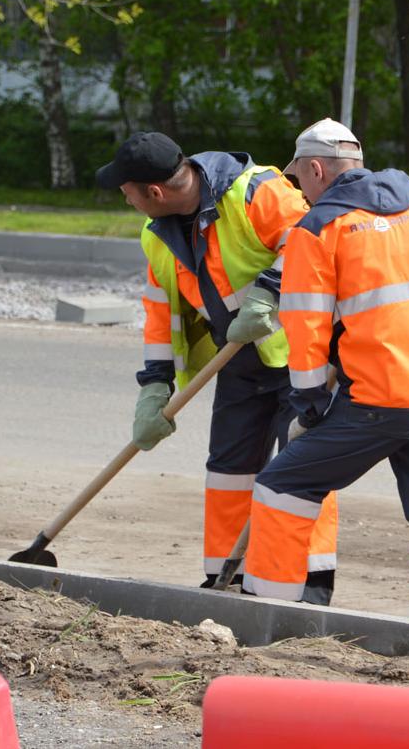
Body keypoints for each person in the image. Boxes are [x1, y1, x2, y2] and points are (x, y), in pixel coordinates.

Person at [242, 119, 409, 625]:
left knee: (281, 486)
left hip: (379, 405)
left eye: (300, 180)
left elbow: (305, 326)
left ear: (317, 169)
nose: (299, 190)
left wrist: (310, 403)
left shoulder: (317, 229)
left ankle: (267, 617)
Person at [95, 132, 338, 603]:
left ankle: (309, 582)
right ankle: (224, 579)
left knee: (300, 464)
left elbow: (314, 236)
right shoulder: (156, 236)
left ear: (156, 193)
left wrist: (269, 289)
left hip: (301, 354)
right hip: (240, 360)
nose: (126, 201)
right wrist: (154, 388)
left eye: (126, 192)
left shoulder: (256, 191)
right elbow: (159, 314)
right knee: (228, 467)